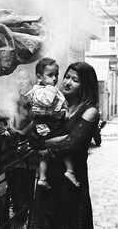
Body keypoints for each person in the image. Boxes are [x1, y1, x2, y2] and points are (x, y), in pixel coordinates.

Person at [27, 61, 100, 229]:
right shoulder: (54, 102)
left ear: (85, 85)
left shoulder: (90, 111)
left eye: (75, 80)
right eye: (66, 77)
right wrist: (42, 143)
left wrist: (43, 148)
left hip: (71, 180)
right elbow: (33, 135)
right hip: (48, 178)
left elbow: (71, 144)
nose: (67, 82)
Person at [25, 57, 79, 189]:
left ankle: (42, 178)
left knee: (46, 153)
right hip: (46, 123)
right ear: (39, 77)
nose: (54, 78)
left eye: (56, 75)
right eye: (50, 75)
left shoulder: (52, 89)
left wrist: (65, 110)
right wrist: (51, 88)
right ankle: (69, 170)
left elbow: (62, 102)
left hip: (50, 122)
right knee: (64, 142)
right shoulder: (40, 90)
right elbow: (47, 101)